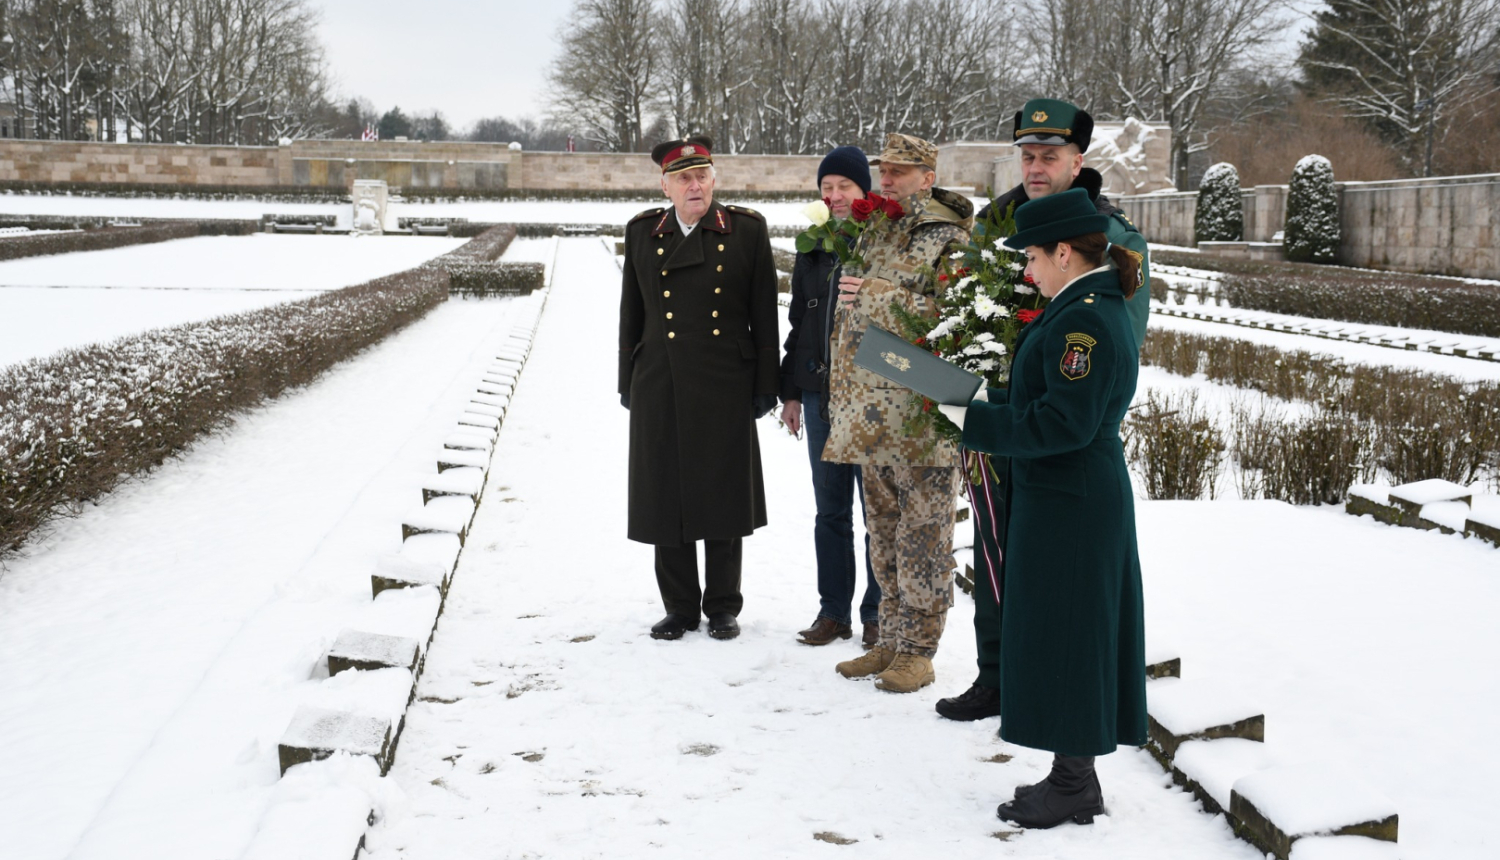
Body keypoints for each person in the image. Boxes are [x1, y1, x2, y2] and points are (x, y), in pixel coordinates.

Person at [935, 188, 1148, 828]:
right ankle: (1069, 774)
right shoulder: (1079, 306)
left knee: (1074, 635)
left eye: (1031, 255)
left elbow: (1063, 423)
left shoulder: (1085, 318)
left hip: (1073, 497)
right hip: (1066, 493)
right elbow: (1048, 398)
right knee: (1065, 630)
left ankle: (1075, 784)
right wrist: (966, 395)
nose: (1026, 269)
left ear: (1063, 251)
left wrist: (972, 421)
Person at [822, 133, 973, 693]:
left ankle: (919, 649)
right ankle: (888, 637)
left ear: (928, 177)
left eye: (900, 172)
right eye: (884, 170)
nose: (886, 181)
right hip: (870, 410)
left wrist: (881, 296)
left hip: (921, 410)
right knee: (882, 530)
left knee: (924, 534)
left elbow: (956, 317)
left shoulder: (950, 238)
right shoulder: (878, 229)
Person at [618, 134, 781, 642]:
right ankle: (680, 606)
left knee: (723, 493)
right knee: (664, 493)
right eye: (684, 178)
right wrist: (628, 379)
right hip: (660, 378)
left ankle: (724, 606)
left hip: (724, 379)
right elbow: (632, 312)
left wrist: (765, 383)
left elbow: (763, 313)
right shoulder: (644, 232)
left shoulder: (746, 230)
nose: (695, 185)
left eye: (703, 176)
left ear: (715, 179)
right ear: (664, 185)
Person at [780, 146, 884, 649]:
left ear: (865, 191)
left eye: (845, 186)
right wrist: (792, 393)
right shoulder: (813, 248)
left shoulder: (883, 243)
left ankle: (877, 614)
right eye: (827, 187)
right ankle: (833, 612)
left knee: (876, 514)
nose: (835, 195)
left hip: (869, 399)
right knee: (830, 511)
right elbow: (799, 323)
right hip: (820, 394)